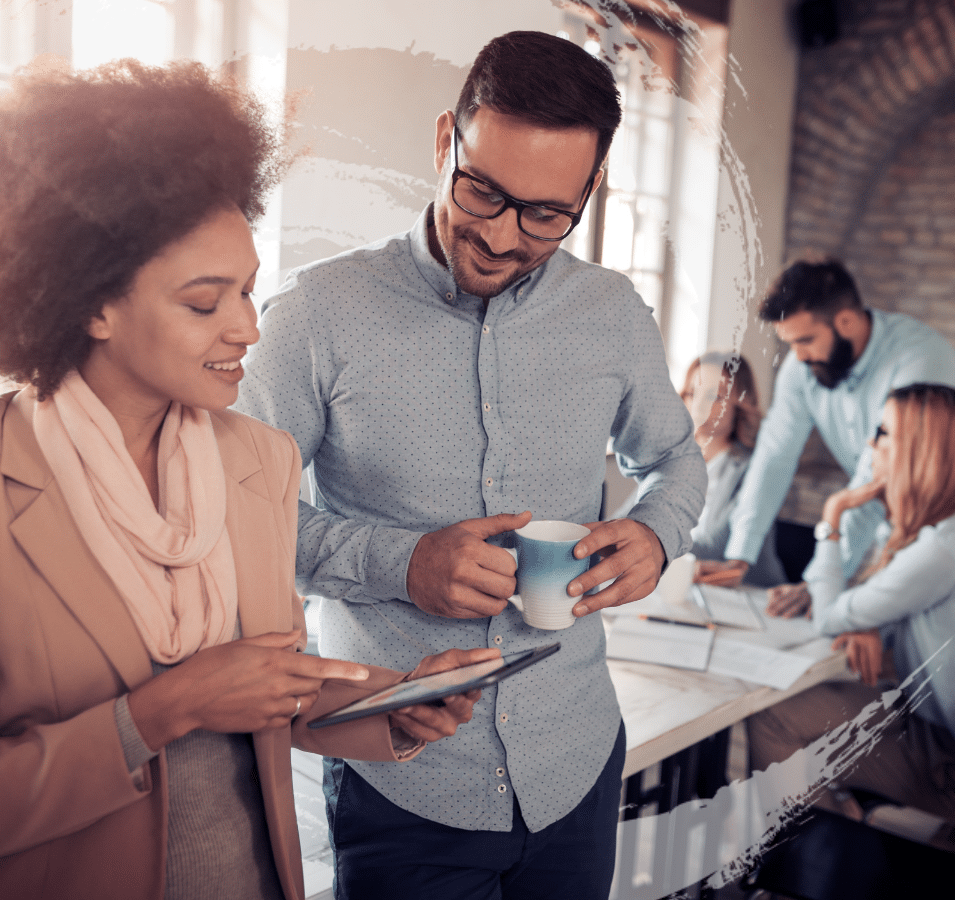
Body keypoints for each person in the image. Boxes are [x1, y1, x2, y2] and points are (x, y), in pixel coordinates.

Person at [0, 59, 493, 900]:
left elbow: (265, 691)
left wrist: (390, 707)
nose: (249, 329)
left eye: (250, 292)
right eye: (204, 302)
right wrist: (157, 713)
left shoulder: (261, 461)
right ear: (92, 304)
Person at [236, 30, 706, 899]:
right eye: (482, 190)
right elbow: (233, 519)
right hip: (402, 778)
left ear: (589, 192)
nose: (498, 236)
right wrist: (401, 564)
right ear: (446, 138)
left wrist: (655, 533)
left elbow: (676, 461)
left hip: (576, 765)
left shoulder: (612, 315)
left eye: (544, 215)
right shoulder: (313, 317)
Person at [747, 383, 955, 850]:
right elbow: (879, 599)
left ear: (918, 450)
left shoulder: (943, 550)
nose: (870, 446)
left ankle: (828, 855)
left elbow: (829, 617)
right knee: (835, 705)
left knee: (773, 721)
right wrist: (868, 620)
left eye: (882, 433)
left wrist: (832, 516)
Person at [708, 258, 955, 616]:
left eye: (806, 340)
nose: (798, 356)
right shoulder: (803, 368)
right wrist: (739, 555)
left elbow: (874, 474)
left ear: (846, 321)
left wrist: (819, 580)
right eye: (790, 343)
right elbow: (773, 457)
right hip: (916, 516)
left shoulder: (919, 356)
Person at [680, 352, 786, 588]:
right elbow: (626, 518)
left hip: (752, 595)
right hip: (689, 584)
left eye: (714, 396)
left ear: (740, 405)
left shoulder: (755, 468)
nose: (699, 405)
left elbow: (715, 548)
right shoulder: (672, 459)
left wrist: (646, 543)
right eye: (691, 393)